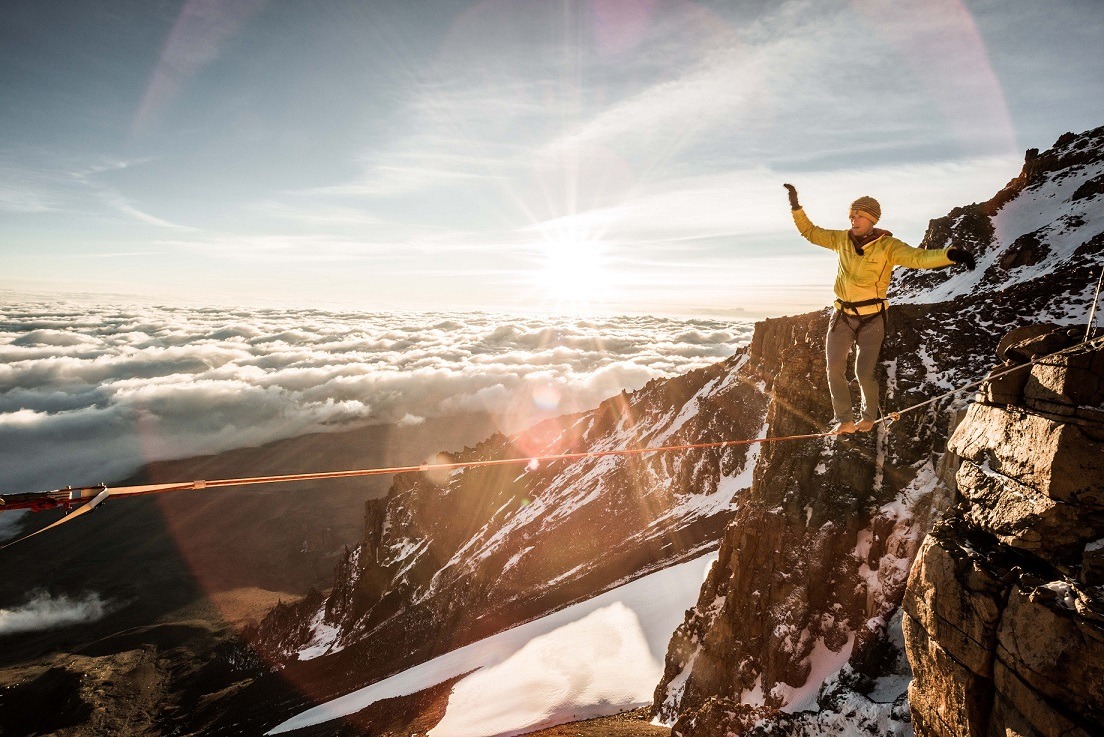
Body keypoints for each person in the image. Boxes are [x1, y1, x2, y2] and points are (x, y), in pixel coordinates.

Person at [783, 183, 976, 434]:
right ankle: (845, 419)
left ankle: (867, 417)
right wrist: (796, 206)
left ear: (871, 219)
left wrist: (951, 255)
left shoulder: (888, 246)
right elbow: (810, 232)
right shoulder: (841, 240)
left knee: (863, 373)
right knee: (834, 369)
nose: (853, 219)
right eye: (851, 215)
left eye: (859, 215)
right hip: (842, 314)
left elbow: (918, 258)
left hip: (872, 317)